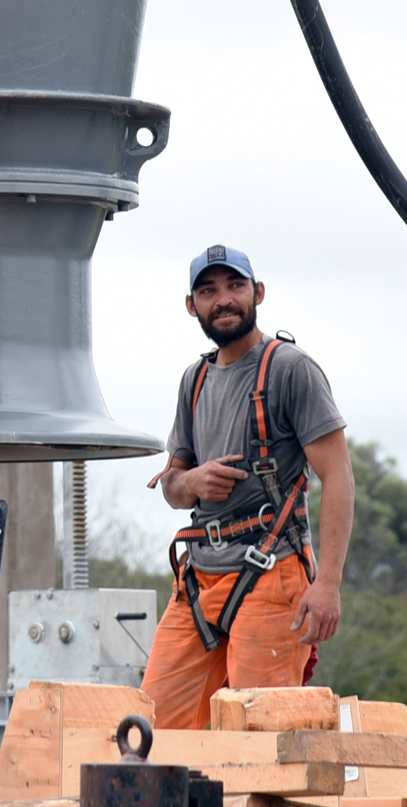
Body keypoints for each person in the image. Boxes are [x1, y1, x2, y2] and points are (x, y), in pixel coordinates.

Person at [140, 244, 356, 730]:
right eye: (208, 290)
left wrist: (328, 585)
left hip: (270, 575)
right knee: (152, 731)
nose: (224, 299)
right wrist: (192, 481)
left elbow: (338, 475)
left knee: (259, 738)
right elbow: (173, 488)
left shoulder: (289, 370)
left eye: (235, 286)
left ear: (257, 293)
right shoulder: (193, 381)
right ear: (191, 304)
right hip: (199, 580)